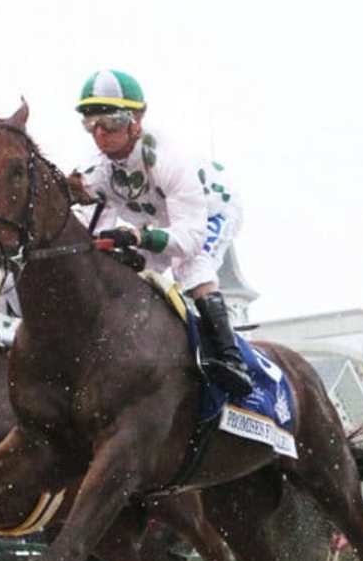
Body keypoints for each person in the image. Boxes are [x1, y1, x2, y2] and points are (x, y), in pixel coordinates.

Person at [69, 69, 251, 398]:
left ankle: (231, 358)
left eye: (109, 123)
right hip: (160, 217)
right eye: (90, 123)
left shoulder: (169, 160)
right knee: (133, 271)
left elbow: (190, 237)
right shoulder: (99, 169)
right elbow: (89, 226)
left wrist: (140, 237)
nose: (99, 134)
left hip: (210, 209)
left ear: (135, 120)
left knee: (191, 265)